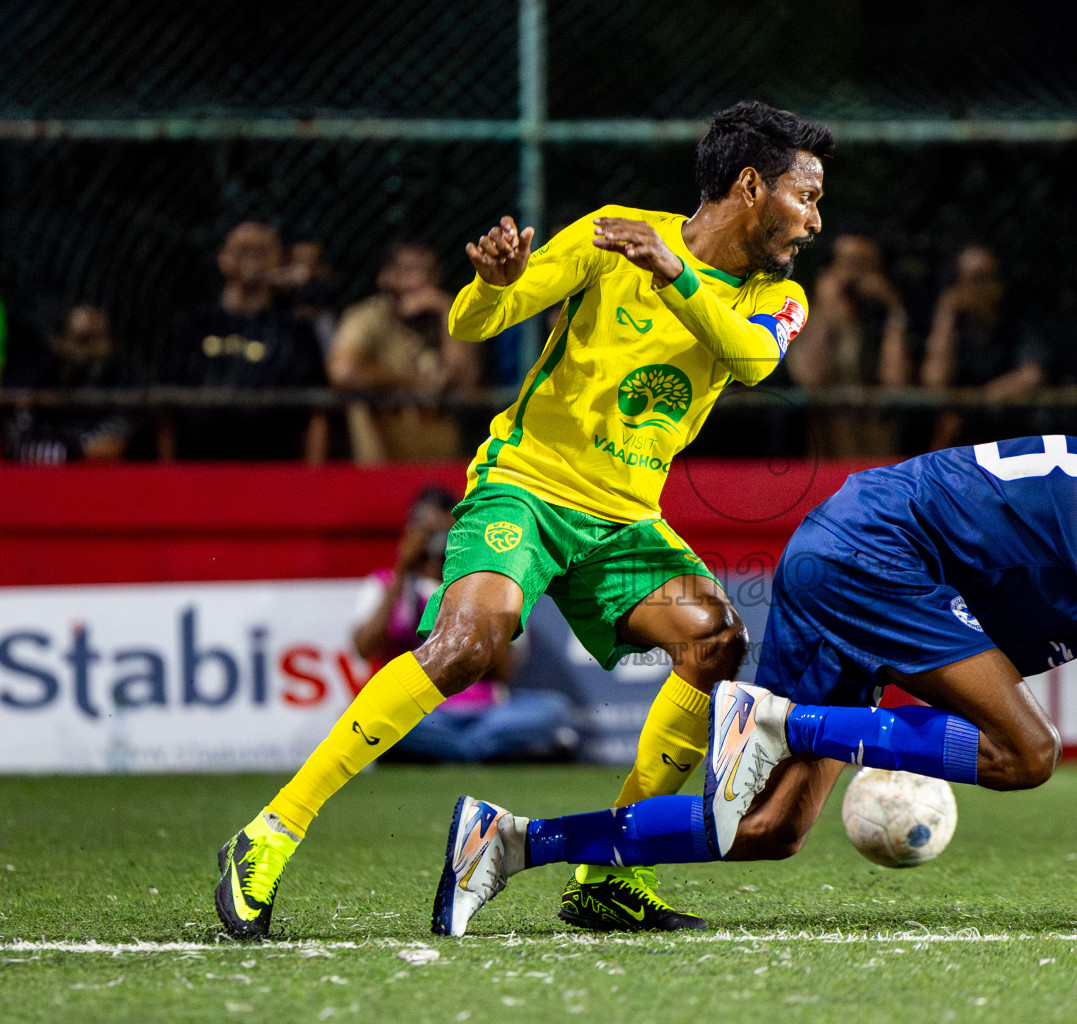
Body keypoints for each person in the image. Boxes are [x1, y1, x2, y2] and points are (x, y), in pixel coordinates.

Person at [213, 100, 833, 940]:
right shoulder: (613, 236)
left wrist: (674, 274)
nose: (814, 219)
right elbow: (473, 322)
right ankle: (268, 834)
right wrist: (496, 283)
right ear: (752, 186)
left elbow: (752, 360)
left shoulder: (777, 296)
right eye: (807, 197)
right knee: (467, 645)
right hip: (526, 488)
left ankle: (611, 876)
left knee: (715, 639)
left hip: (622, 522)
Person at [436, 403, 1077, 936]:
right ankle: (779, 722)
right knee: (1027, 752)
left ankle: (511, 843)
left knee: (770, 826)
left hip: (846, 548)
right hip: (876, 558)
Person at [351, 487, 575, 763]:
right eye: (428, 532)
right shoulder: (386, 584)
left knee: (554, 709)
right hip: (420, 712)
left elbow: (504, 673)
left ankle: (451, 750)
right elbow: (365, 648)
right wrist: (402, 571)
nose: (437, 542)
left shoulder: (485, 585)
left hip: (485, 712)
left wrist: (476, 575)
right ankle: (481, 750)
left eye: (445, 531)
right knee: (375, 714)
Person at [158, 221, 328, 463]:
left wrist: (312, 478)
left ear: (278, 262)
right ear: (223, 260)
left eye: (263, 250)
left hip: (273, 469)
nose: (254, 257)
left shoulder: (296, 331)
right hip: (198, 468)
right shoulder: (191, 326)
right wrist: (168, 474)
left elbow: (316, 410)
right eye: (244, 249)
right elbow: (166, 408)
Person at [328, 241, 478, 463]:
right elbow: (343, 372)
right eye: (410, 270)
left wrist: (448, 314)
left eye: (428, 271)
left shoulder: (443, 320)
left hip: (440, 463)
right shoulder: (369, 316)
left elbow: (465, 382)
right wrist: (410, 381)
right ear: (386, 277)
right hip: (380, 462)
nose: (421, 280)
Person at [785, 231, 909, 456]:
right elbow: (811, 378)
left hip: (874, 451)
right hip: (825, 454)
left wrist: (894, 310)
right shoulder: (804, 320)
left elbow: (896, 382)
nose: (854, 276)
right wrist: (828, 308)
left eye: (865, 266)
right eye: (848, 263)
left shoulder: (884, 323)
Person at [920, 244, 1045, 449]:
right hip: (960, 442)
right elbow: (934, 380)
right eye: (965, 279)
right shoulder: (951, 328)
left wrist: (976, 403)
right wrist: (946, 316)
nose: (974, 288)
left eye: (981, 278)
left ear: (999, 285)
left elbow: (1032, 375)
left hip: (1009, 436)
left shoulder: (1016, 323)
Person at [2, 305, 141, 464]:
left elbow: (111, 446)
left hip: (96, 467)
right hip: (48, 459)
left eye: (95, 338)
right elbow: (14, 443)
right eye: (82, 339)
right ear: (64, 338)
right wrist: (74, 450)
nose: (91, 348)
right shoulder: (43, 371)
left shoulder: (120, 376)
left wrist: (83, 449)